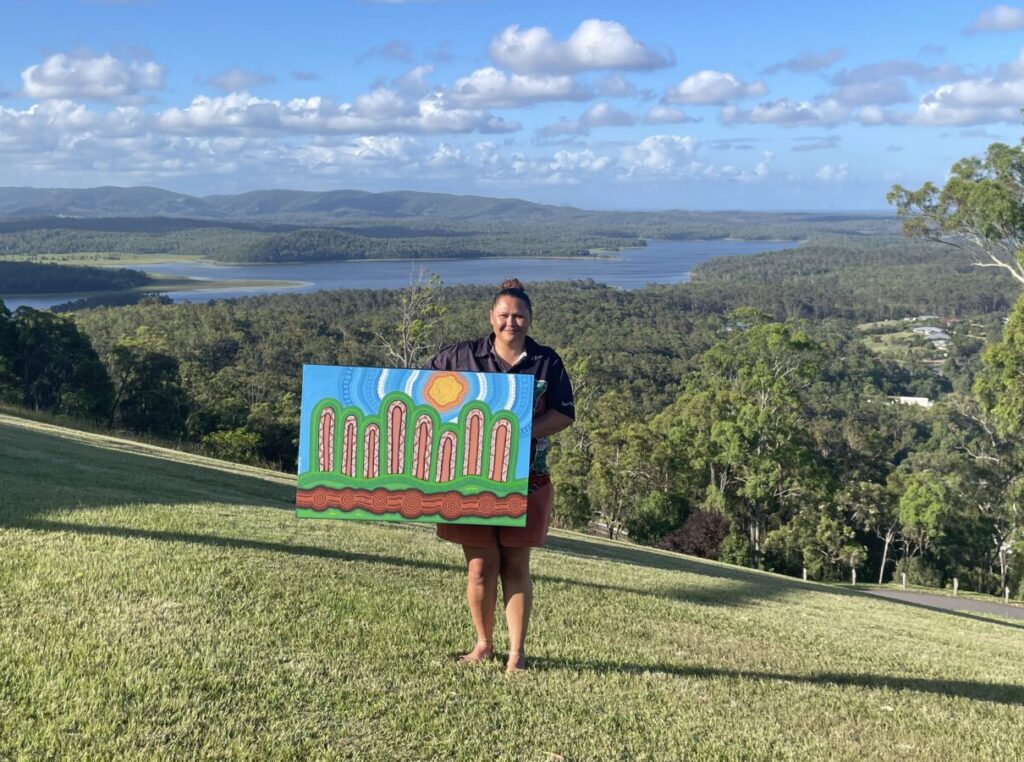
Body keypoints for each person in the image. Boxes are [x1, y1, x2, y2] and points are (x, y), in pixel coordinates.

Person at [427, 278, 575, 672]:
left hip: (527, 481)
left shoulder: (547, 361)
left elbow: (564, 414)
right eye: (505, 315)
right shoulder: (461, 357)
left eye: (519, 315)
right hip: (469, 481)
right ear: (491, 317)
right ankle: (483, 644)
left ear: (530, 318)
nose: (512, 322)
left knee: (515, 566)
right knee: (478, 567)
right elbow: (420, 395)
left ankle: (517, 654)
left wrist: (520, 429)